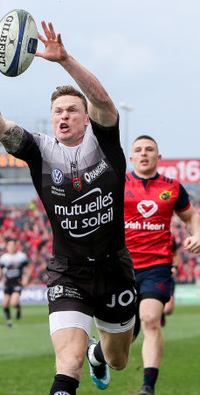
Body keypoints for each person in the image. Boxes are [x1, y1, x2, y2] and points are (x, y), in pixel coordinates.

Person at [0, 21, 137, 395]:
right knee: (67, 361)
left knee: (118, 359)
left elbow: (104, 101)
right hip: (67, 272)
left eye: (72, 110)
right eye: (58, 111)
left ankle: (98, 356)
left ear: (86, 119)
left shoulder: (106, 143)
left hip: (114, 268)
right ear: (52, 118)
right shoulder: (39, 150)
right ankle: (80, 362)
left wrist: (65, 60)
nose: (64, 116)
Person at [124, 135, 200, 395]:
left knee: (150, 319)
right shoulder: (117, 185)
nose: (144, 153)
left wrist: (197, 235)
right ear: (131, 158)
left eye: (149, 149)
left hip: (157, 265)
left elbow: (191, 217)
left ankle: (148, 386)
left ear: (158, 157)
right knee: (122, 340)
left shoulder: (173, 187)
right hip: (121, 267)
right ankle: (98, 356)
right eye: (138, 150)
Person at [0, 239, 31, 327]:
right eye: (9, 246)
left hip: (17, 282)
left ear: (16, 246)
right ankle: (9, 321)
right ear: (7, 247)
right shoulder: (4, 258)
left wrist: (26, 279)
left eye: (13, 245)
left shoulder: (21, 257)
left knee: (13, 302)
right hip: (7, 282)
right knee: (5, 303)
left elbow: (29, 267)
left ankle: (18, 308)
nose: (11, 247)